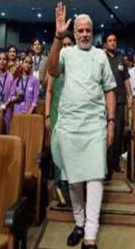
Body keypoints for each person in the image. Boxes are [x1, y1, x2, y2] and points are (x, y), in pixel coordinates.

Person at [47, 3, 116, 249]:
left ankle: (90, 235)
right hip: (69, 126)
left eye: (88, 30)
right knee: (74, 179)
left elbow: (109, 90)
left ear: (92, 32)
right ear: (74, 33)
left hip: (95, 126)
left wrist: (110, 122)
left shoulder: (100, 56)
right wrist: (57, 37)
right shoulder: (66, 53)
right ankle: (79, 222)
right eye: (81, 31)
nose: (85, 34)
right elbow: (52, 69)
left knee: (95, 177)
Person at [45, 32, 74, 205]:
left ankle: (70, 190)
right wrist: (48, 115)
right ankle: (60, 189)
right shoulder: (54, 65)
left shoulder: (76, 67)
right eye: (63, 45)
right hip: (56, 114)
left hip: (72, 116)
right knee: (57, 152)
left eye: (69, 44)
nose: (66, 48)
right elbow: (48, 91)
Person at [102, 32, 132, 179]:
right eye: (110, 40)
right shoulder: (102, 58)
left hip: (120, 101)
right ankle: (105, 166)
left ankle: (114, 163)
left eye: (115, 40)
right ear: (105, 44)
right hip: (104, 102)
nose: (113, 43)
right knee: (106, 134)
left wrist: (130, 96)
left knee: (118, 134)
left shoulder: (121, 59)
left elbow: (126, 79)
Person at [0, 51, 15, 133]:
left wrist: (4, 105)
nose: (2, 61)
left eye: (4, 59)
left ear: (8, 62)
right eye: (0, 59)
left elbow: (12, 95)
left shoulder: (10, 77)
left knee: (6, 133)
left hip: (7, 109)